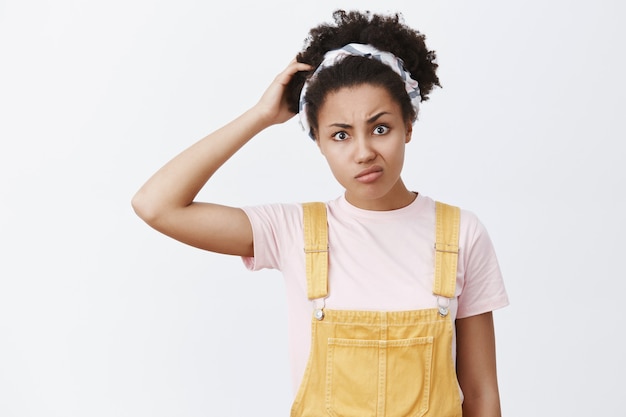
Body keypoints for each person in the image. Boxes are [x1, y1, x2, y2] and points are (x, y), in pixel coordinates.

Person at [132, 9, 509, 417]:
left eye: (381, 128)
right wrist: (259, 116)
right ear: (318, 142)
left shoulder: (461, 234)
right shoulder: (292, 231)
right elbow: (155, 205)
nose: (364, 151)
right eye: (340, 134)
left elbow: (481, 392)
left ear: (409, 124)